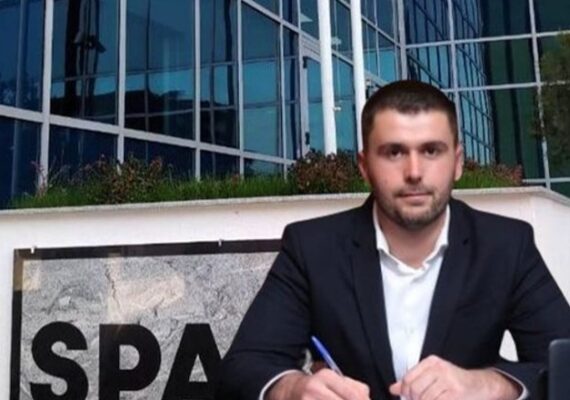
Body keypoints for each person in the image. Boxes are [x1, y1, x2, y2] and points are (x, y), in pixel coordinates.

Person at [216, 80, 570, 400]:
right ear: (364, 166)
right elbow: (244, 367)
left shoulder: (506, 245)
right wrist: (291, 389)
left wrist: (492, 385)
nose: (414, 172)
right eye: (394, 152)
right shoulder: (311, 247)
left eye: (431, 151)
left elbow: (565, 362)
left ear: (458, 162)